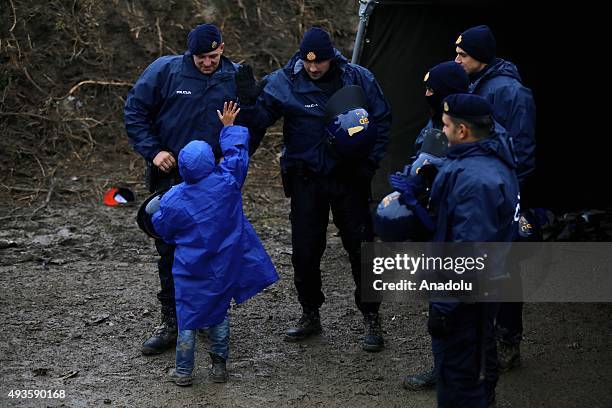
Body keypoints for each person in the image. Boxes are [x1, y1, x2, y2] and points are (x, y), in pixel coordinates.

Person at [236, 27, 392, 351]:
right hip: (307, 179)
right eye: (308, 63)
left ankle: (371, 315)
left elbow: (382, 119)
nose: (313, 68)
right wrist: (249, 102)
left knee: (362, 249)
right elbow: (260, 120)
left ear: (330, 56)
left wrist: (369, 165)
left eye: (319, 62)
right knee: (305, 253)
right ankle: (310, 313)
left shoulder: (357, 77)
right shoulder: (285, 81)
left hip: (349, 178)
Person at [124, 24, 263, 355]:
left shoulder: (234, 77)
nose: (207, 63)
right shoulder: (166, 71)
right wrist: (153, 150)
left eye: (213, 56)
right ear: (190, 54)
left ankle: (207, 317)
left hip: (213, 182)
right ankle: (171, 321)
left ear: (223, 48)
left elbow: (252, 130)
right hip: (169, 174)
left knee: (211, 251)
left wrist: (252, 105)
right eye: (201, 57)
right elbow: (135, 110)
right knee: (170, 252)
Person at [391, 94, 519, 407]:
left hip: (465, 301)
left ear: (462, 131)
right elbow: (449, 226)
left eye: (446, 126)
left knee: (461, 383)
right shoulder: (478, 161)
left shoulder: (476, 181)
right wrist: (419, 202)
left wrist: (445, 307)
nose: (442, 132)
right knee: (469, 371)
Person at [151, 101, 279, 386]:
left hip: (189, 269)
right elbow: (236, 155)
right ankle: (219, 367)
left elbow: (163, 229)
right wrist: (229, 128)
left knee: (188, 318)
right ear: (211, 161)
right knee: (219, 314)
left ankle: (184, 372)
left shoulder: (173, 199)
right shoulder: (227, 181)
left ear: (182, 166)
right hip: (223, 265)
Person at [455, 24, 536, 369]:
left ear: (481, 58)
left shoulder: (512, 93)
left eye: (463, 55)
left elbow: (523, 151)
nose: (456, 60)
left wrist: (506, 195)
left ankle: (507, 340)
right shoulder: (474, 85)